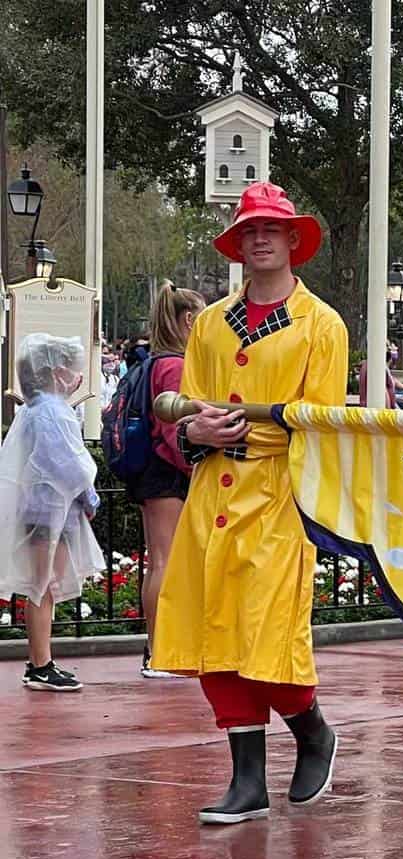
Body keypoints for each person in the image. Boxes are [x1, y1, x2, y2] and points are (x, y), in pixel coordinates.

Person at [153, 182, 348, 824]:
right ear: (237, 245)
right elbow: (190, 408)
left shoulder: (322, 325)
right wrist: (195, 431)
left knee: (267, 630)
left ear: (294, 239)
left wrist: (243, 429)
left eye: (271, 229)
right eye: (247, 232)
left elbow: (319, 421)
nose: (258, 238)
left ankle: (312, 728)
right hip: (215, 489)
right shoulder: (210, 324)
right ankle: (248, 779)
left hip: (280, 492)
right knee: (215, 628)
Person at [0, 334, 104, 692]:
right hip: (48, 512)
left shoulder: (39, 409)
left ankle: (42, 660)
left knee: (45, 584)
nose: (77, 376)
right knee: (42, 585)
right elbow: (67, 463)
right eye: (72, 368)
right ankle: (40, 664)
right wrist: (89, 496)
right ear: (57, 372)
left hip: (45, 510)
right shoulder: (51, 412)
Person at [131, 282, 206, 678]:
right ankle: (159, 651)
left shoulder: (156, 362)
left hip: (156, 472)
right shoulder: (175, 366)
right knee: (164, 561)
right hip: (168, 471)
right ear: (190, 321)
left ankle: (159, 647)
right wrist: (196, 466)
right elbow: (173, 431)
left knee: (159, 560)